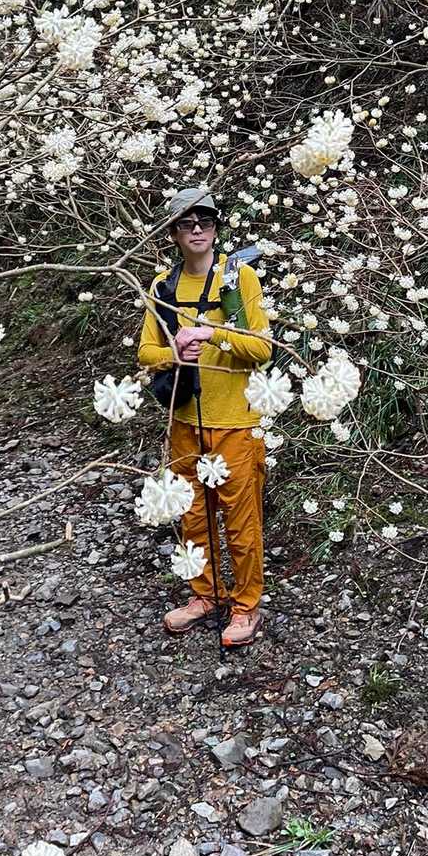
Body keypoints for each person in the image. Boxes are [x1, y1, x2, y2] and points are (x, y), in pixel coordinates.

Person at [137, 187, 273, 648]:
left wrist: (211, 333)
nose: (197, 230)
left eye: (206, 222)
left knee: (241, 520)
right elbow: (146, 351)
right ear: (173, 233)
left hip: (237, 421)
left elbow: (262, 348)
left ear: (216, 228)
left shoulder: (240, 278)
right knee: (192, 515)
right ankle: (205, 595)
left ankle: (246, 605)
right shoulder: (163, 286)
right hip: (185, 420)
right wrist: (174, 351)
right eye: (187, 224)